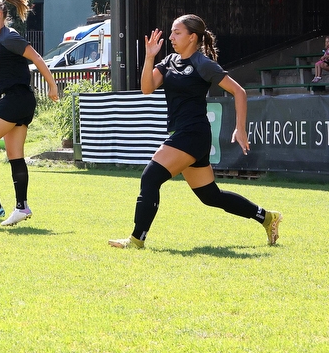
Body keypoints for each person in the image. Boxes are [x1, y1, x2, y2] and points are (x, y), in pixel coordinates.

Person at [110, 15, 282, 249]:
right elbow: (146, 88)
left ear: (192, 37)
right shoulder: (169, 61)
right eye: (171, 32)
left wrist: (240, 128)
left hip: (193, 134)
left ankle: (136, 239)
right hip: (187, 135)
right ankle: (267, 217)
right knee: (211, 196)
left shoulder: (203, 64)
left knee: (150, 178)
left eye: (177, 33)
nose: (171, 37)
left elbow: (239, 92)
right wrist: (150, 57)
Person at [0, 0, 60, 224]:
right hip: (15, 99)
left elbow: (37, 58)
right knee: (15, 155)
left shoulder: (10, 36)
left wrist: (52, 86)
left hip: (17, 98)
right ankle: (22, 207)